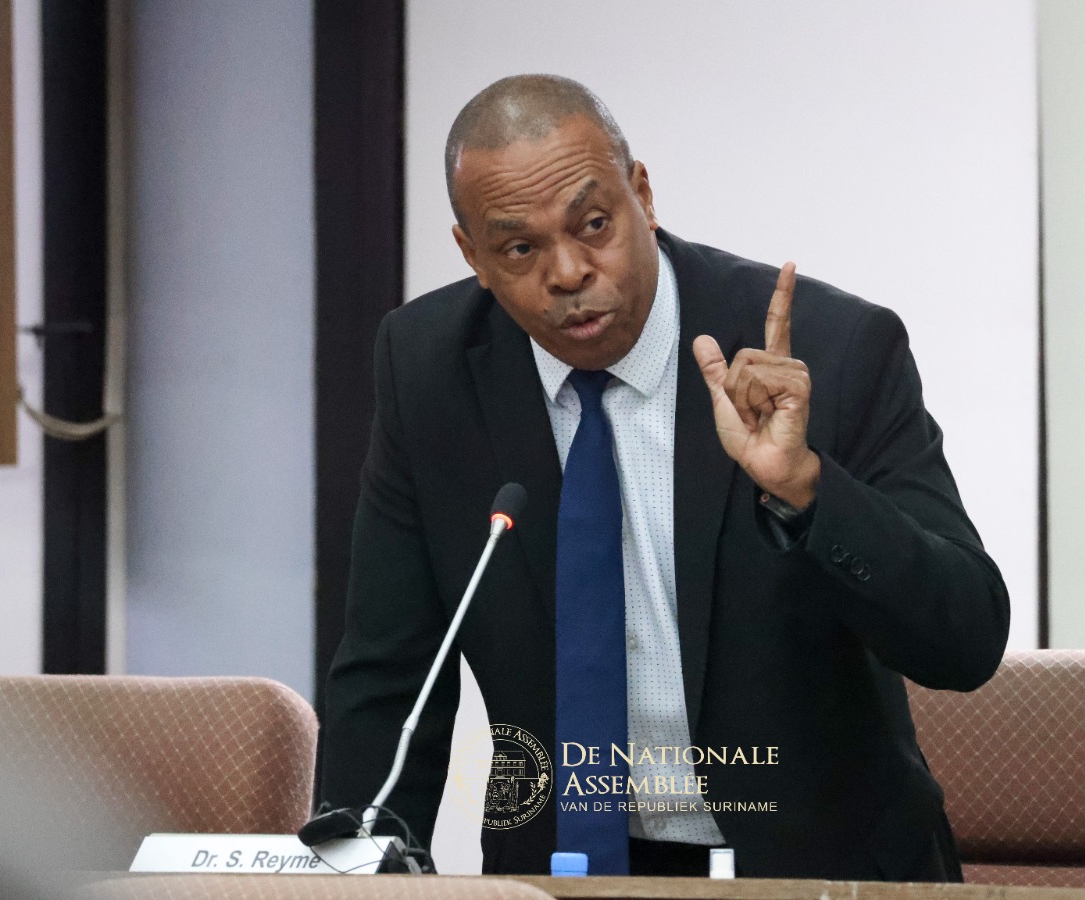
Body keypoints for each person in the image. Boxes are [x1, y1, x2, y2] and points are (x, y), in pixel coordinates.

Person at [320, 74, 1009, 880]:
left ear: (643, 195)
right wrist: (355, 875)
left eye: (594, 225)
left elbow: (966, 638)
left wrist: (808, 489)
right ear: (473, 255)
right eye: (520, 249)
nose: (568, 272)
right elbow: (389, 676)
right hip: (560, 873)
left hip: (819, 872)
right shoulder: (429, 370)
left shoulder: (830, 348)